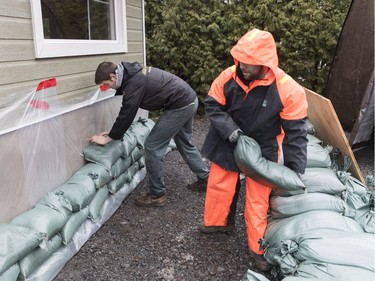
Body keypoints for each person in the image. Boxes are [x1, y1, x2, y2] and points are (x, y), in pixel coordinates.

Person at [199, 28, 308, 271]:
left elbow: (296, 133)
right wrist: (231, 131)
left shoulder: (287, 88)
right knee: (219, 184)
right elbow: (212, 106)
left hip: (263, 147)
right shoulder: (228, 76)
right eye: (241, 59)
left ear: (265, 63)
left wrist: (293, 170)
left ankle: (258, 247)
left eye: (250, 62)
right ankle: (218, 223)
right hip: (228, 139)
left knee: (258, 199)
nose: (243, 66)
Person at [89, 61, 209, 206]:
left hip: (180, 105)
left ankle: (156, 195)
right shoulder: (131, 73)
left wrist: (111, 137)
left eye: (107, 84)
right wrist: (114, 132)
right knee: (183, 141)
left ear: (112, 76)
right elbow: (127, 111)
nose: (108, 88)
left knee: (152, 146)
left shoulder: (133, 82)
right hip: (188, 99)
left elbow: (127, 112)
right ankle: (205, 179)